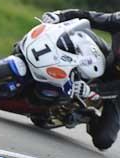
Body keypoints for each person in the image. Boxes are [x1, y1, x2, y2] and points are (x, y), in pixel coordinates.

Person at [41, 9, 120, 150]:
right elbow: (90, 16)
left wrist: (93, 90)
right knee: (78, 35)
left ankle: (86, 115)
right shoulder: (118, 20)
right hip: (106, 63)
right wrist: (59, 16)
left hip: (116, 93)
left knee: (103, 140)